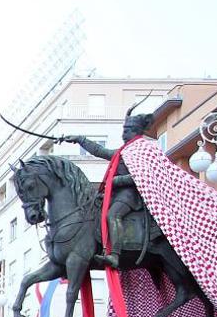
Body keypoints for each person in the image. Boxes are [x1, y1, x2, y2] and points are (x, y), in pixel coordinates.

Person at [61, 111, 155, 270]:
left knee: (113, 215)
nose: (124, 133)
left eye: (128, 130)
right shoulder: (123, 151)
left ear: (137, 131)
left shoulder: (141, 150)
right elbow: (100, 151)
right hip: (116, 193)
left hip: (130, 195)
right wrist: (79, 139)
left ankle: (115, 255)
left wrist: (114, 181)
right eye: (124, 129)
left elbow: (140, 176)